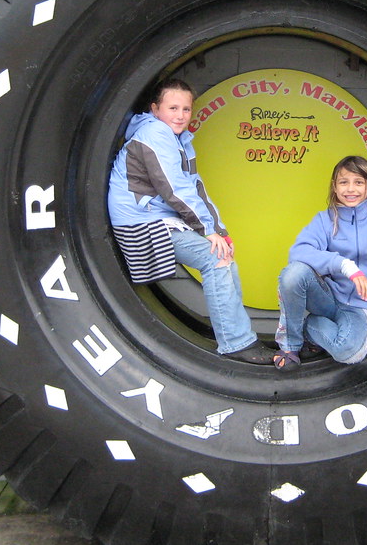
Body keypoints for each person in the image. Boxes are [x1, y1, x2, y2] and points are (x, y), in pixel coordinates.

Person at [108, 78, 269, 364]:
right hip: (141, 222)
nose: (180, 115)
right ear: (155, 109)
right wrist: (207, 232)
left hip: (159, 218)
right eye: (173, 108)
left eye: (185, 109)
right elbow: (174, 189)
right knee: (215, 259)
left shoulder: (178, 138)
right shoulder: (156, 133)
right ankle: (235, 343)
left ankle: (240, 337)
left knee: (224, 256)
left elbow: (194, 186)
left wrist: (220, 231)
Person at [274, 155, 367, 370]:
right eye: (343, 182)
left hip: (361, 305)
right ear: (335, 187)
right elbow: (298, 252)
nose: (350, 189)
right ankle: (290, 345)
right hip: (326, 298)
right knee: (293, 274)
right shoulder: (325, 219)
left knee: (349, 352)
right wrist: (345, 266)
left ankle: (309, 328)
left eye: (358, 182)